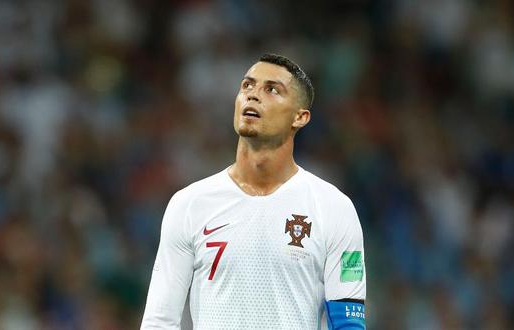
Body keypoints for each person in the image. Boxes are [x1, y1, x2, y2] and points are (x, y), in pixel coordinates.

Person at [141, 54, 366, 330]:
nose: (253, 95)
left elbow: (347, 324)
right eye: (247, 86)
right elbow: (159, 321)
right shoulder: (189, 205)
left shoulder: (334, 209)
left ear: (300, 116)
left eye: (272, 89)